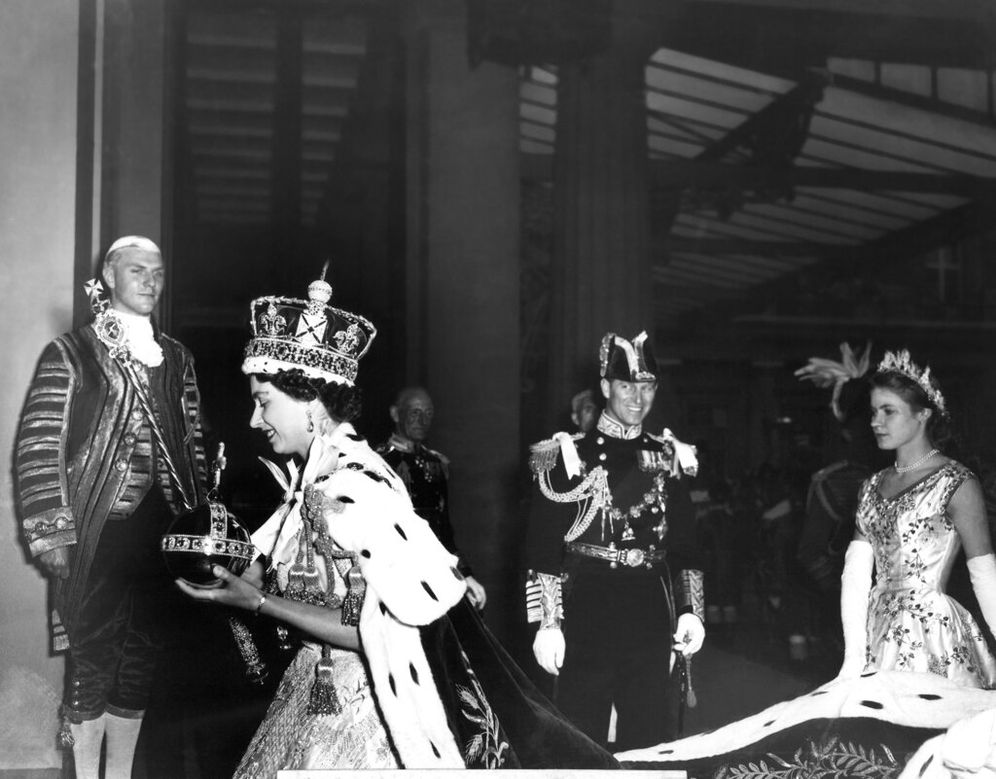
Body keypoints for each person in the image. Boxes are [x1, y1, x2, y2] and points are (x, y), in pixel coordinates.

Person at [177, 271, 619, 772]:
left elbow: (375, 628)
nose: (255, 420)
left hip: (369, 709)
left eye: (264, 402)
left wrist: (257, 601)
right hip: (311, 686)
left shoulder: (349, 486)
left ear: (310, 402)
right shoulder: (311, 483)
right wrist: (241, 579)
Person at [616, 349, 996, 775]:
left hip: (936, 635)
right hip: (876, 630)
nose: (875, 421)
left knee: (934, 749)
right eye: (873, 412)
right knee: (862, 745)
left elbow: (985, 575)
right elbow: (856, 572)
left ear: (923, 415)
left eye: (888, 411)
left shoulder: (957, 483)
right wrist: (853, 657)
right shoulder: (872, 485)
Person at [15, 236, 207, 779]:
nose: (149, 281)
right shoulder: (71, 352)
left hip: (161, 532)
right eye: (137, 271)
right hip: (95, 527)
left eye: (158, 272)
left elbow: (192, 445)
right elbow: (39, 443)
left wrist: (200, 527)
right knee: (92, 657)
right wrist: (51, 530)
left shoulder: (178, 359)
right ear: (110, 276)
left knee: (142, 656)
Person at [524, 330, 705, 750]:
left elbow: (685, 545)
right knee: (580, 741)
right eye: (626, 386)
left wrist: (690, 609)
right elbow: (543, 547)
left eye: (646, 387)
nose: (637, 399)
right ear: (606, 387)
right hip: (588, 612)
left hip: (647, 616)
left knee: (651, 741)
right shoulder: (567, 456)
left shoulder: (669, 457)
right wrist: (547, 623)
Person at [376, 386, 487, 610]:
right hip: (393, 573)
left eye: (428, 413)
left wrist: (464, 574)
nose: (422, 419)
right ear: (396, 414)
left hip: (434, 568)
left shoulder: (437, 464)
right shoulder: (378, 461)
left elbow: (443, 529)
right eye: (415, 412)